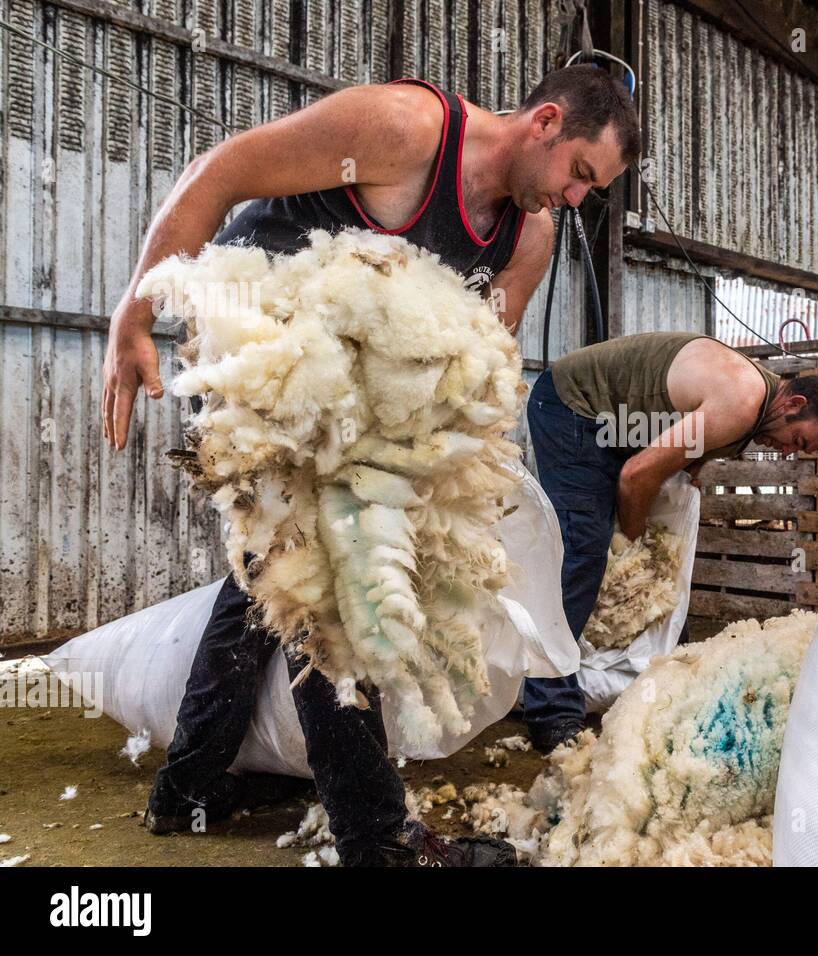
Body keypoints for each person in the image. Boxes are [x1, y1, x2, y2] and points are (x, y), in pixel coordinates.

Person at [99, 65, 640, 867]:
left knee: (271, 574)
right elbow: (221, 172)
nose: (574, 198)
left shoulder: (529, 237)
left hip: (352, 383)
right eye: (580, 174)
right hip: (267, 350)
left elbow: (480, 352)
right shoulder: (407, 130)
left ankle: (188, 791)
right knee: (333, 573)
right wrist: (132, 316)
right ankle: (378, 840)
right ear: (546, 122)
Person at [522, 331, 818, 751]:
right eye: (796, 441)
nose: (786, 453)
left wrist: (688, 475)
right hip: (572, 408)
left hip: (616, 425)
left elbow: (684, 454)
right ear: (794, 404)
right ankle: (550, 710)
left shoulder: (758, 406)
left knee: (636, 551)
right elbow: (636, 475)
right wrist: (639, 545)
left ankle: (667, 659)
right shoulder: (743, 402)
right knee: (583, 550)